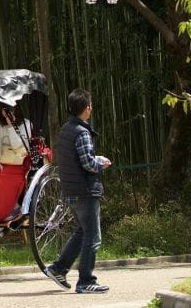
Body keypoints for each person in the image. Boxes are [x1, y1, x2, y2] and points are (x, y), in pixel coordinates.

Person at [45, 88, 112, 295]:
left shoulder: (65, 129)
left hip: (70, 190)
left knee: (82, 232)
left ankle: (58, 269)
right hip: (84, 191)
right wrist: (101, 162)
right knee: (93, 236)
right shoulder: (82, 132)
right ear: (86, 108)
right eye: (90, 105)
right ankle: (85, 281)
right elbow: (88, 163)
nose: (91, 109)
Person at [0, 104, 32, 171]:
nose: (7, 113)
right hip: (5, 160)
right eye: (4, 110)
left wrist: (11, 126)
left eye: (10, 110)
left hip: (22, 161)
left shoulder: (26, 123)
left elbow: (16, 146)